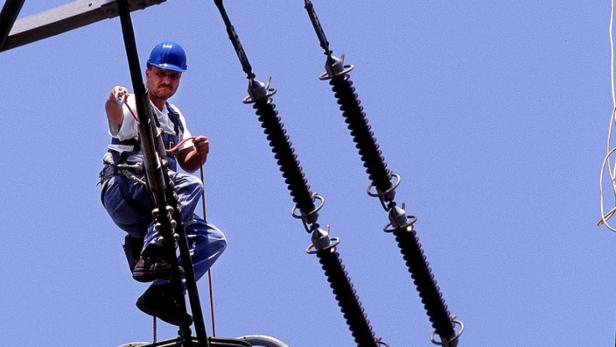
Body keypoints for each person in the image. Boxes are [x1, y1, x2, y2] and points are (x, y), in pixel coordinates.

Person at [99, 41, 226, 326]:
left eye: (173, 76)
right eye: (161, 74)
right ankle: (152, 251)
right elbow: (115, 117)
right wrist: (112, 99)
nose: (166, 81)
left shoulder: (175, 116)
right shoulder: (134, 103)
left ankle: (161, 292)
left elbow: (187, 161)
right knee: (191, 186)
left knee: (214, 240)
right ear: (147, 73)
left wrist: (200, 152)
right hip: (124, 188)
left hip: (155, 203)